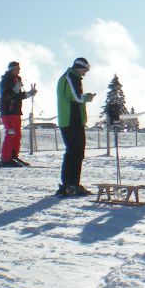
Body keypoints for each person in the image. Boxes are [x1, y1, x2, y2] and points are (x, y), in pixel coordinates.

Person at [56, 57, 95, 197]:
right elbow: (77, 98)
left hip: (67, 120)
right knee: (76, 153)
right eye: (86, 69)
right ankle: (72, 184)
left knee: (72, 152)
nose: (86, 72)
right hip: (72, 120)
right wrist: (88, 97)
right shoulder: (72, 77)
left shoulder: (65, 77)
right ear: (81, 67)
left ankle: (68, 184)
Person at [0, 61, 37, 167]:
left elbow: (18, 96)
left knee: (17, 135)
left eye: (19, 69)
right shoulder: (5, 81)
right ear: (12, 69)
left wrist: (29, 93)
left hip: (16, 112)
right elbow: (6, 96)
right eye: (17, 69)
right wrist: (15, 89)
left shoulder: (17, 80)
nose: (18, 71)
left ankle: (13, 155)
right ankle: (6, 158)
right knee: (11, 134)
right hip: (8, 112)